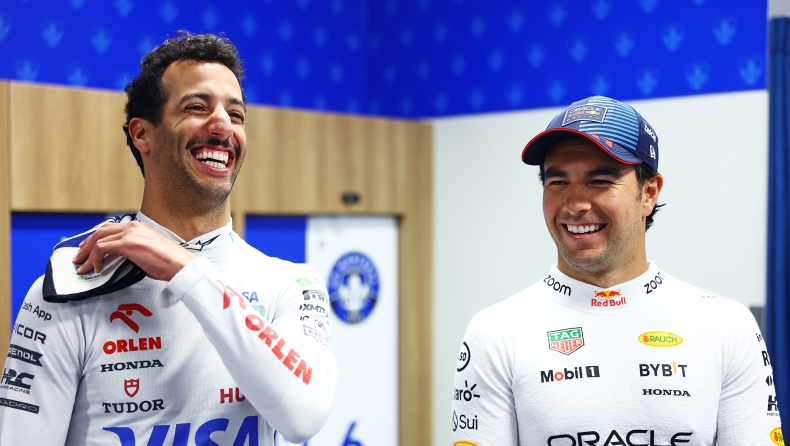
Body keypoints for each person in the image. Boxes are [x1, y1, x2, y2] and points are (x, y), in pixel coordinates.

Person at [0, 32, 337, 445]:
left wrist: (188, 270)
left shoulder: (291, 284)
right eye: (197, 107)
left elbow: (304, 416)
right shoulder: (68, 290)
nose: (223, 125)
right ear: (142, 134)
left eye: (236, 114)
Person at [451, 96, 782, 445]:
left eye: (599, 181)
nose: (575, 204)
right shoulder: (495, 332)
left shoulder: (726, 326)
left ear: (648, 193)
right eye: (557, 182)